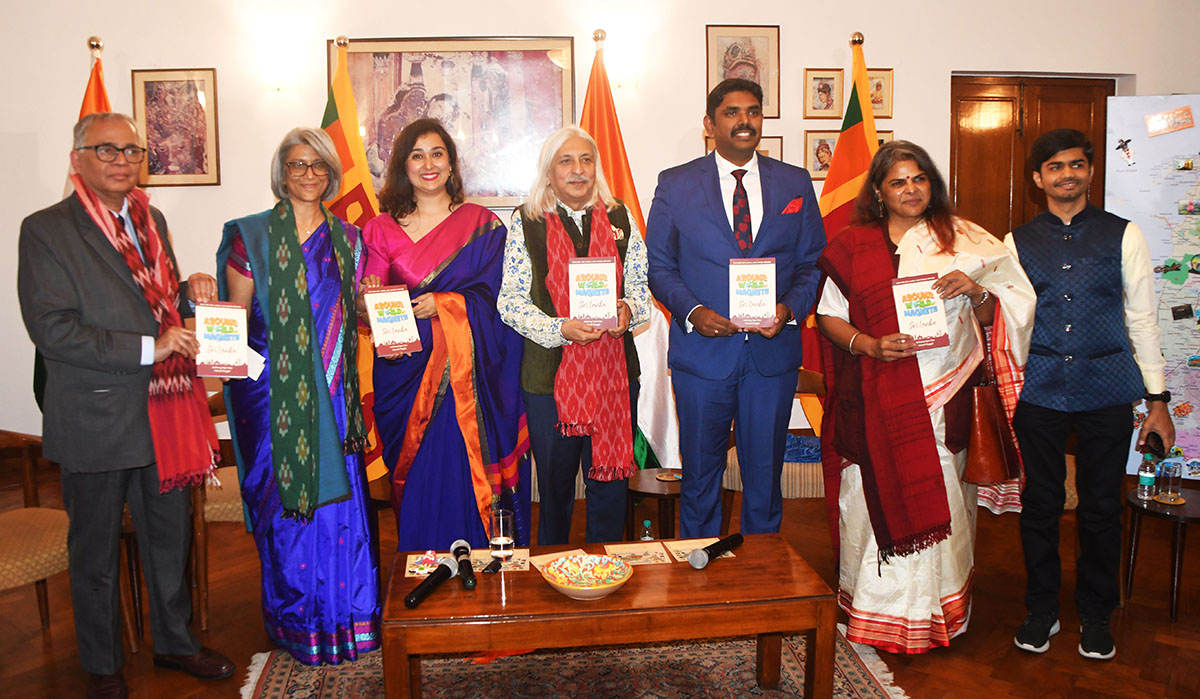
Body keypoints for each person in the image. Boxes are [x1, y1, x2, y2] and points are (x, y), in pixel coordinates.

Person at [17, 112, 234, 699]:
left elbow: (151, 302)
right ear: (78, 158)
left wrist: (190, 291)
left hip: (165, 410)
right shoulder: (46, 229)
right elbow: (53, 329)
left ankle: (175, 642)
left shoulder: (149, 219)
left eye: (131, 150)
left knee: (169, 536)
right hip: (95, 415)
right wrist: (149, 348)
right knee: (95, 551)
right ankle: (102, 663)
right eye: (106, 149)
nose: (121, 160)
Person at [815, 140, 1036, 654]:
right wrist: (869, 344)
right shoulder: (852, 246)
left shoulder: (967, 241)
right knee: (869, 500)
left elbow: (1001, 316)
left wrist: (977, 291)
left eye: (919, 179)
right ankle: (876, 614)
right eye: (898, 181)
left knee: (946, 498)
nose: (910, 189)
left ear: (932, 184)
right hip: (875, 397)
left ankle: (938, 615)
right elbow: (828, 316)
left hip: (944, 396)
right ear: (879, 191)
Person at [1007, 128, 1174, 661]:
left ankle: (1097, 614)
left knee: (1102, 506)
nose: (1067, 174)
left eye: (1076, 164)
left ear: (1090, 172)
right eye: (1055, 167)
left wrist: (1158, 400)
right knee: (1040, 504)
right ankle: (1042, 610)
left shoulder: (1125, 235)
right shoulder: (1015, 242)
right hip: (1039, 389)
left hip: (1108, 388)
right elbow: (1010, 322)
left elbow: (1142, 319)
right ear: (1038, 179)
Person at [215, 127, 379, 665]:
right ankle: (298, 622)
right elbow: (235, 322)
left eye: (318, 165)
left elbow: (355, 313)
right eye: (297, 165)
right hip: (272, 398)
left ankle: (348, 616)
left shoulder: (349, 239)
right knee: (288, 511)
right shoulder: (253, 236)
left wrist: (379, 308)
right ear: (282, 173)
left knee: (339, 511)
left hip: (334, 396)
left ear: (330, 174)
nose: (308, 174)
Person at [646, 78, 825, 538]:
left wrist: (788, 309)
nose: (744, 121)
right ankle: (700, 567)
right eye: (731, 112)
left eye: (753, 111)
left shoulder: (795, 182)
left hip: (771, 358)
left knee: (764, 479)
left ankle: (762, 570)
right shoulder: (676, 184)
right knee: (700, 477)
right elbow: (660, 267)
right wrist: (693, 312)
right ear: (710, 124)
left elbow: (812, 264)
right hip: (703, 358)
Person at [362, 118, 529, 552]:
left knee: (462, 465)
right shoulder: (380, 228)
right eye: (417, 155)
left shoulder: (482, 226)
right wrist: (366, 299)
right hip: (405, 371)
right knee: (418, 475)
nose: (428, 164)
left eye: (437, 154)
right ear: (403, 166)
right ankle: (423, 562)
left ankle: (482, 558)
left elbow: (503, 301)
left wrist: (446, 304)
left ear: (451, 164)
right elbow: (370, 302)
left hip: (468, 378)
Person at [498, 126, 651, 544]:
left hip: (614, 377)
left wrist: (629, 310)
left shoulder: (620, 217)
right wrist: (559, 329)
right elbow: (510, 302)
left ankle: (606, 566)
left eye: (586, 160)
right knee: (555, 490)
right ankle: (551, 569)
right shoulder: (527, 221)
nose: (578, 170)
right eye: (565, 161)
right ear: (549, 172)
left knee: (610, 487)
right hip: (549, 380)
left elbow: (641, 288)